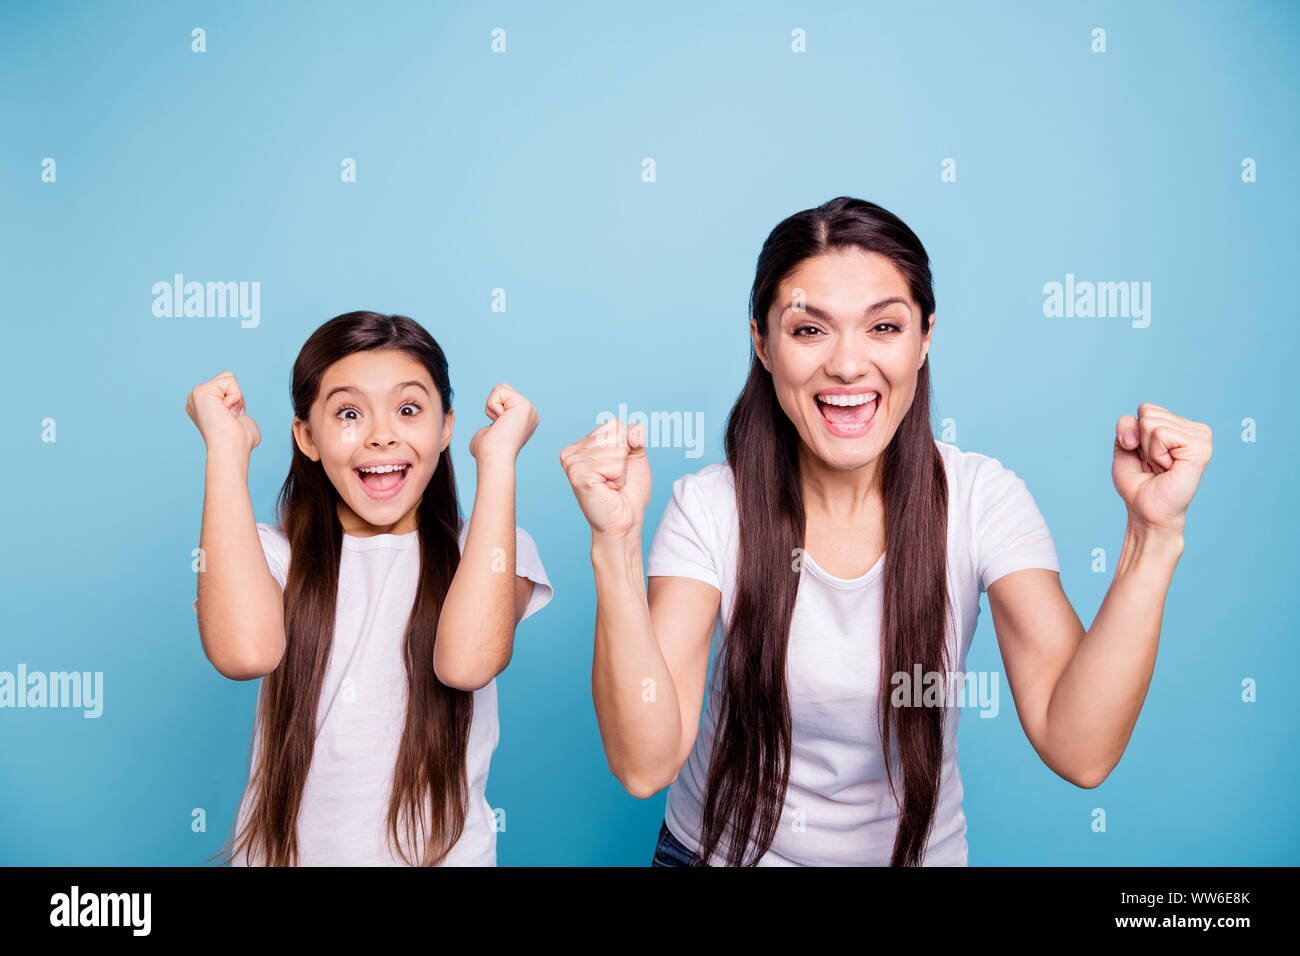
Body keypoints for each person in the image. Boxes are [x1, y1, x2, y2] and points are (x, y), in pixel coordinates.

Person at [560, 197, 1212, 866]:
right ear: (763, 343)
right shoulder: (708, 507)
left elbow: (1082, 750)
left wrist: (1152, 537)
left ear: (925, 338)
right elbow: (644, 765)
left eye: (884, 328)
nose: (847, 365)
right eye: (810, 330)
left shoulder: (983, 500)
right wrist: (612, 544)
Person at [186, 310, 552, 866]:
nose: (382, 434)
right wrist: (224, 449)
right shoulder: (269, 554)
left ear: (447, 427)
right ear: (307, 437)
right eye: (349, 413)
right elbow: (242, 653)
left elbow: (468, 664)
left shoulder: (491, 552)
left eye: (409, 409)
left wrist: (499, 460)